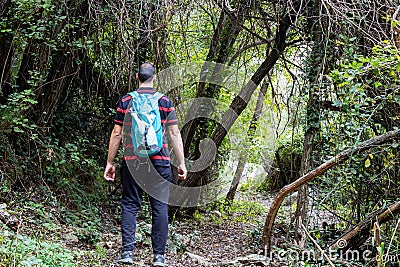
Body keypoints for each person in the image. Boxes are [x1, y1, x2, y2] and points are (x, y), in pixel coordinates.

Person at [104, 62, 187, 266]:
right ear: (154, 78)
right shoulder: (165, 102)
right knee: (159, 206)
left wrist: (110, 162)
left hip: (133, 162)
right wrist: (182, 163)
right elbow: (174, 133)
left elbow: (116, 133)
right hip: (160, 161)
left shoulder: (126, 101)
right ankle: (159, 257)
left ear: (136, 77)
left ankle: (127, 254)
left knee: (130, 205)